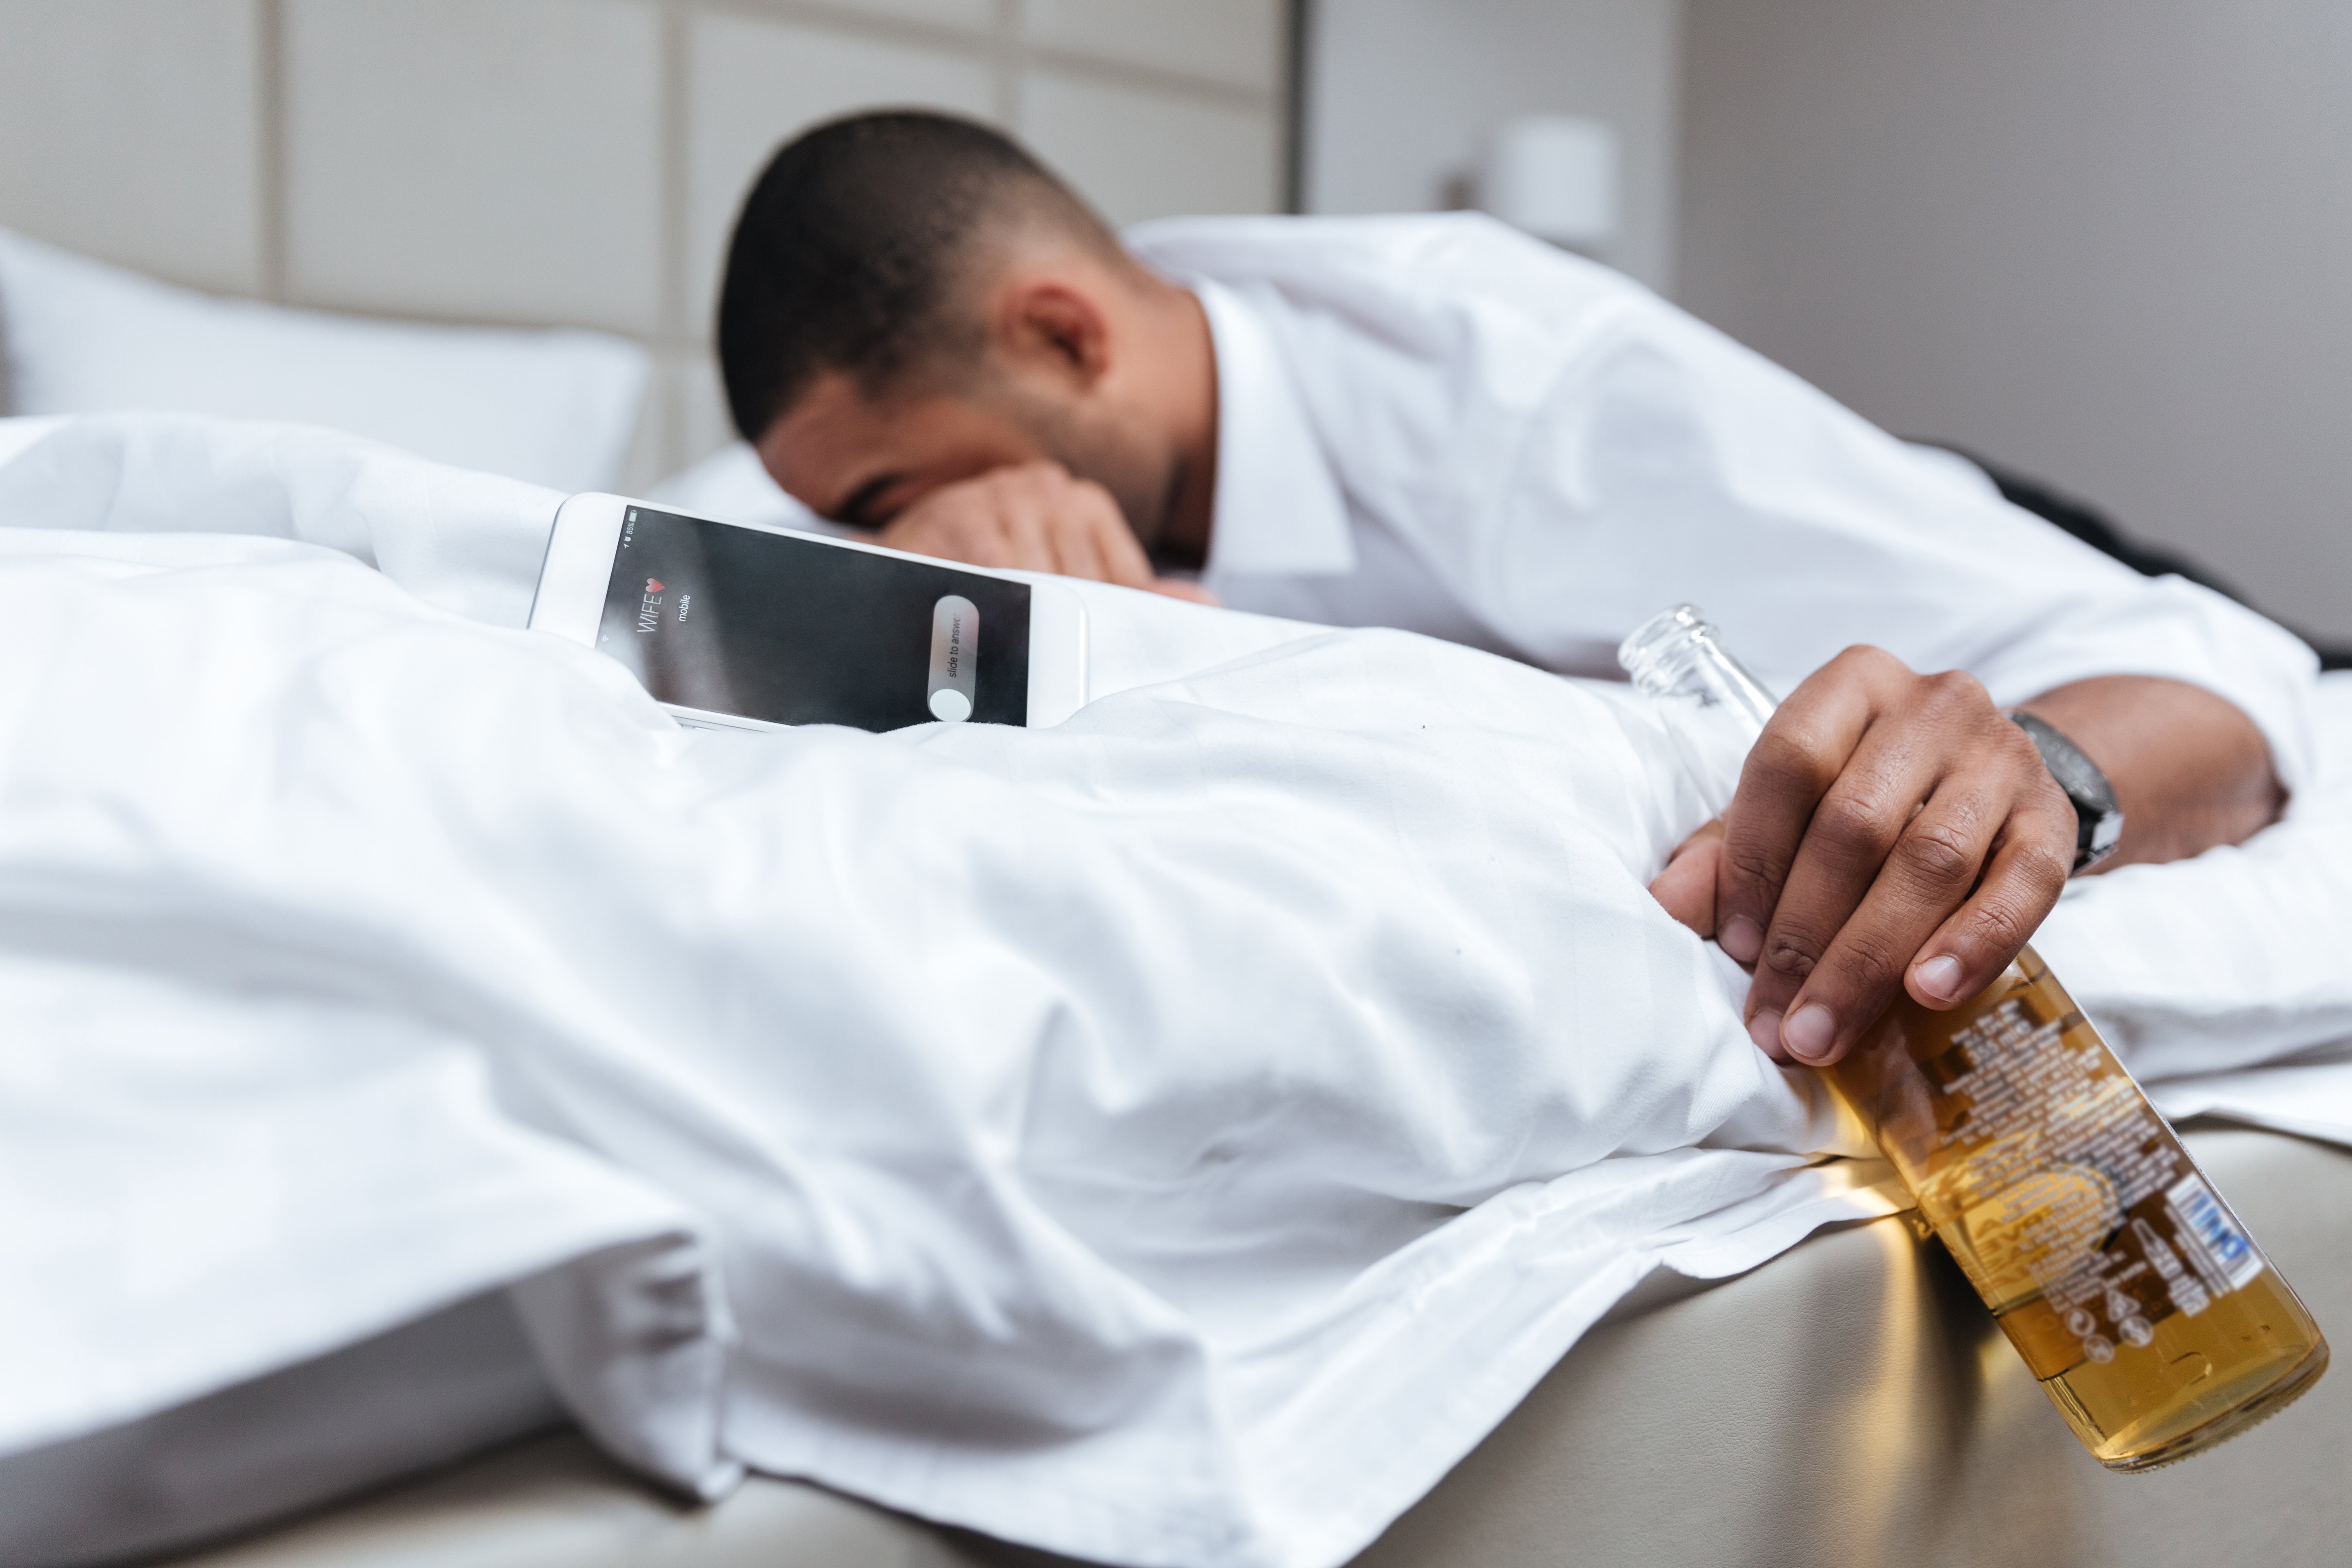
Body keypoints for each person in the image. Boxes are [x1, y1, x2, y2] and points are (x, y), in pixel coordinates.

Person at [714, 111, 2314, 1072]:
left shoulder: (1525, 397)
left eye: (888, 501)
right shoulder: (1023, 407)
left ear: (1068, 337)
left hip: (2016, 551)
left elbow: (2212, 668)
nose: (909, 539)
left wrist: (2053, 778)